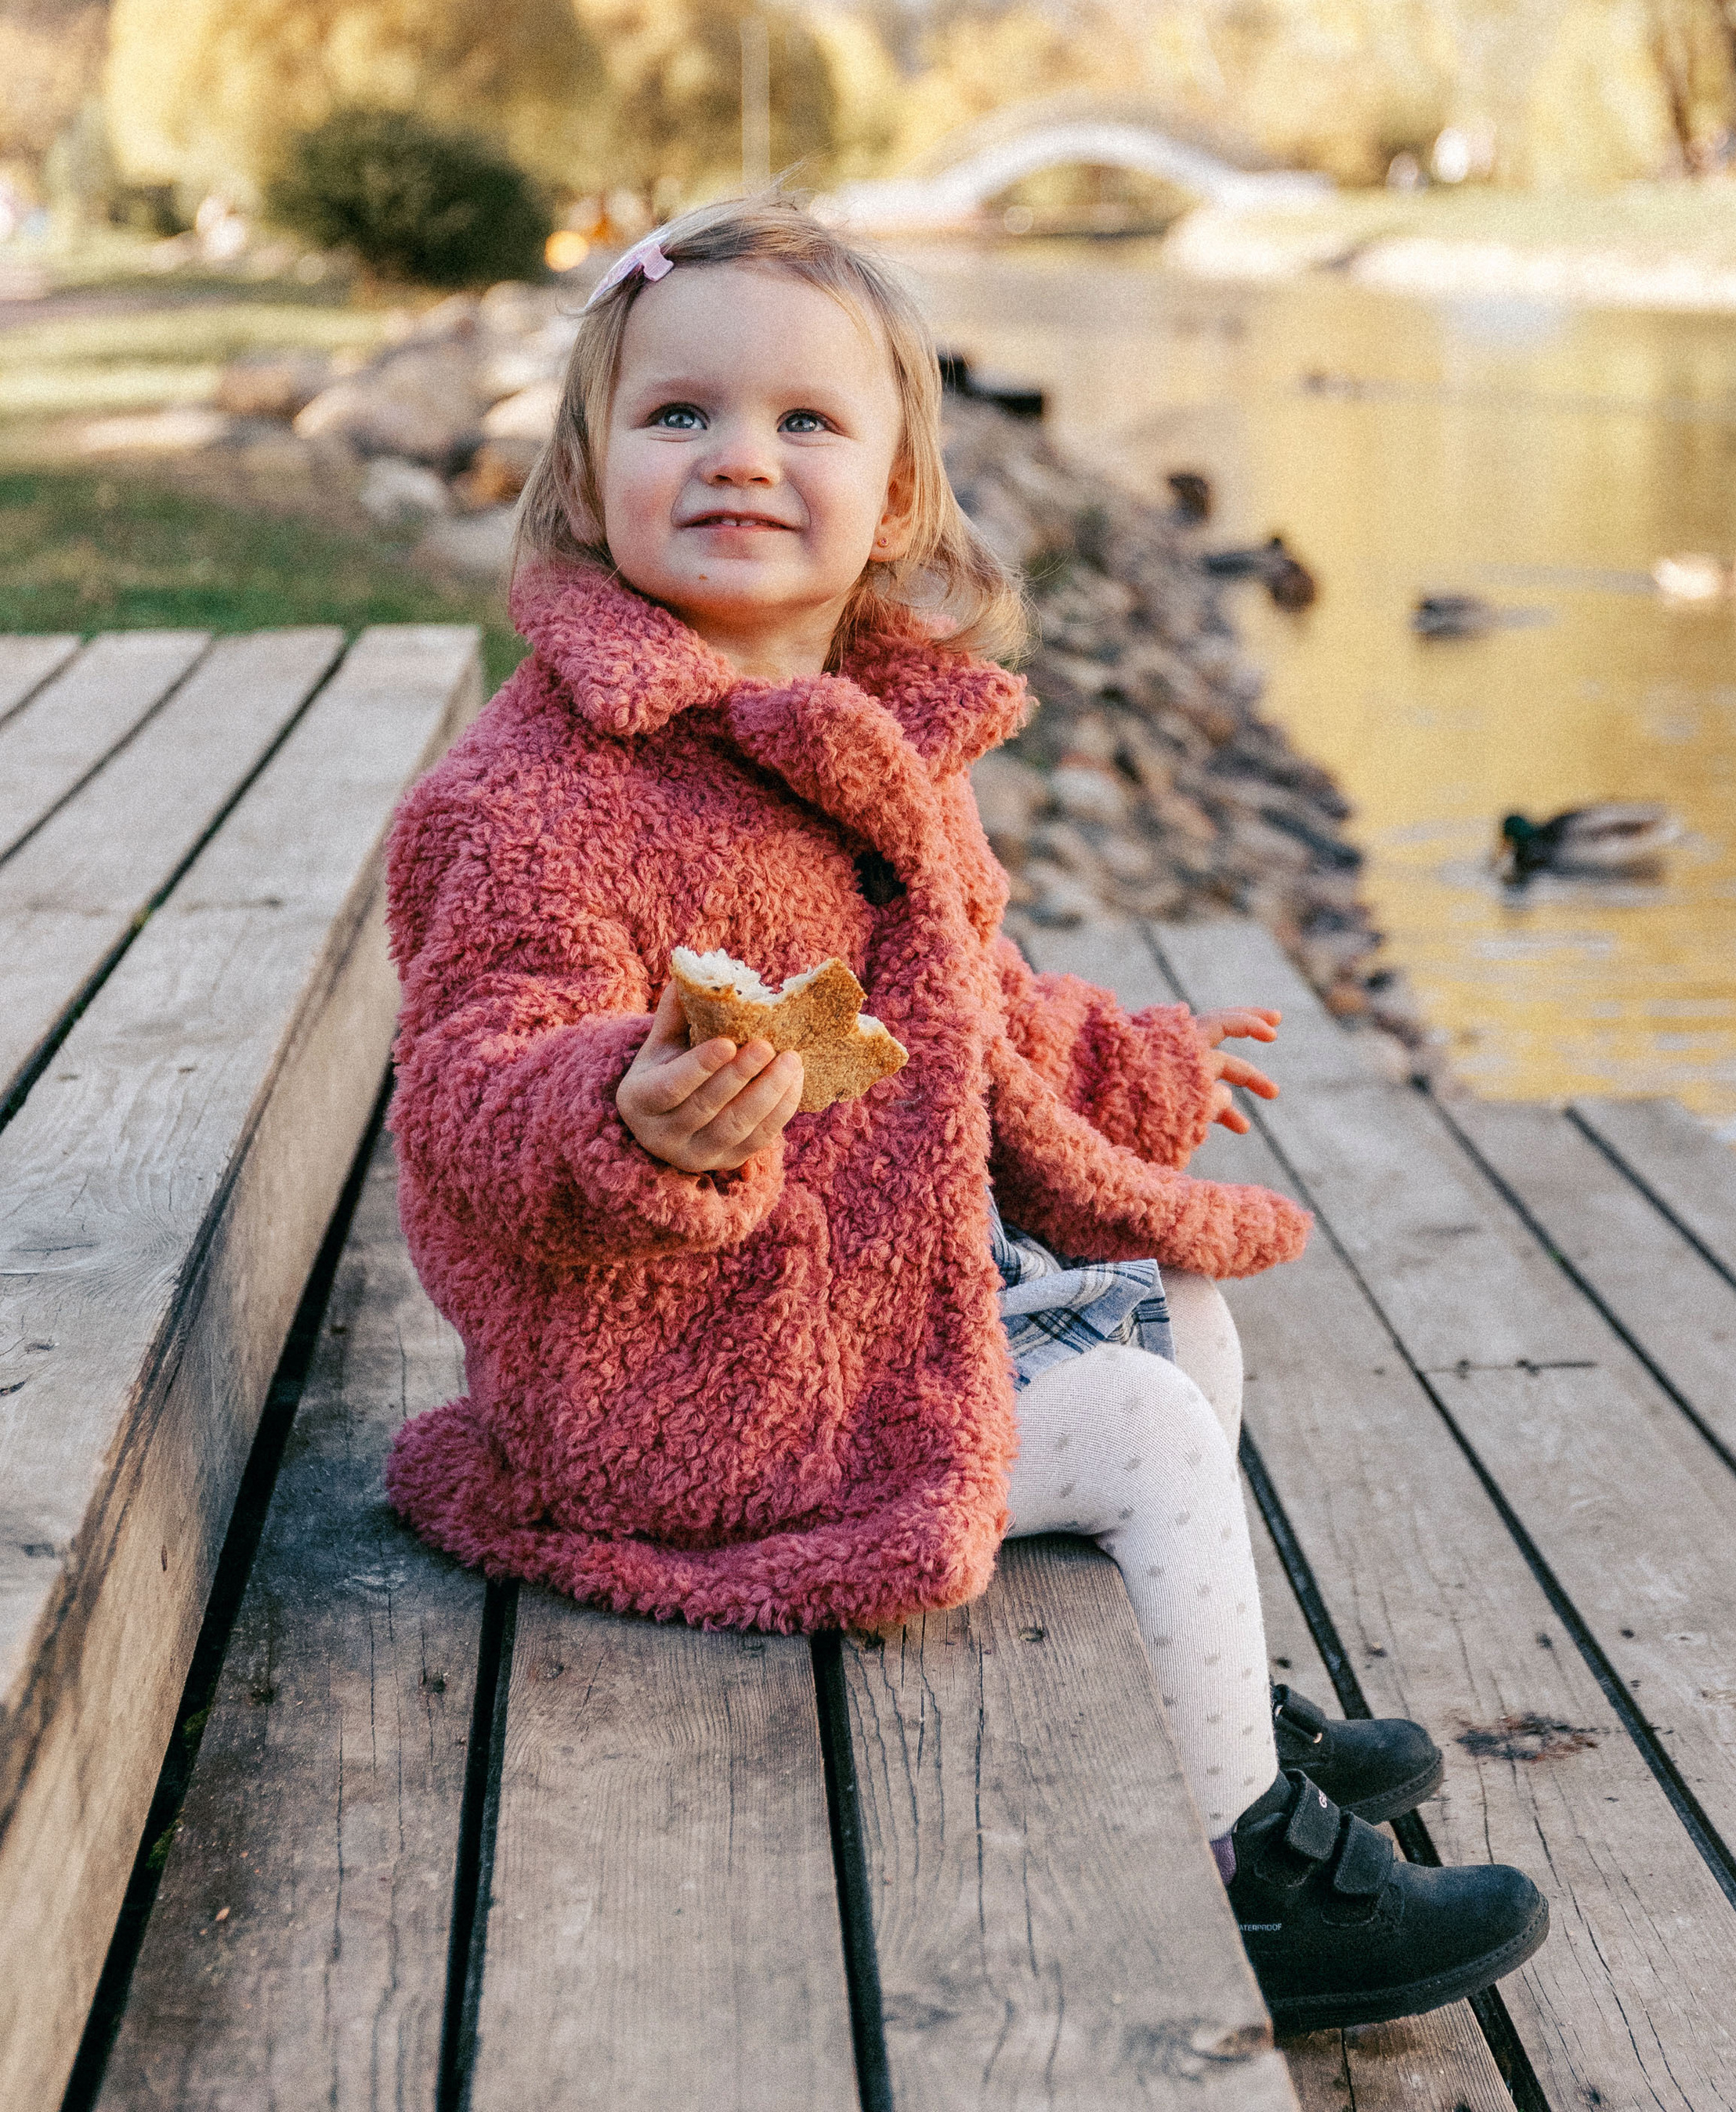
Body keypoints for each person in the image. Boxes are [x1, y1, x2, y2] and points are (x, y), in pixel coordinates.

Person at [384, 196, 1547, 2034]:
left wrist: (1133, 1067)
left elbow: (973, 1012)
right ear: (583, 469)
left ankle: (1212, 1679)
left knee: (1174, 1301)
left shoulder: (861, 732)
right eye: (676, 417)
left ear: (898, 494)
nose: (738, 460)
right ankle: (1246, 1867)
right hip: (684, 1382)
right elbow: (468, 1078)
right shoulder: (540, 797)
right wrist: (628, 1116)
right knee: (1152, 1429)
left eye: (804, 425)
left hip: (826, 1302)